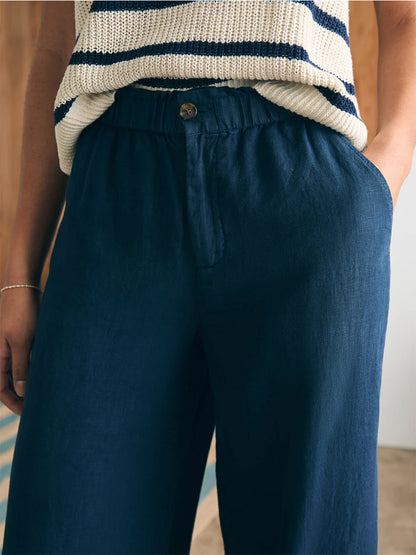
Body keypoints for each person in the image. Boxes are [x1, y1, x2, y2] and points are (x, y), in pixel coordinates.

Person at [0, 1, 415, 553]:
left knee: (308, 533)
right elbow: (57, 48)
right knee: (63, 524)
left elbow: (406, 17)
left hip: (300, 185)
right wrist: (19, 273)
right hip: (116, 190)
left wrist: (382, 174)